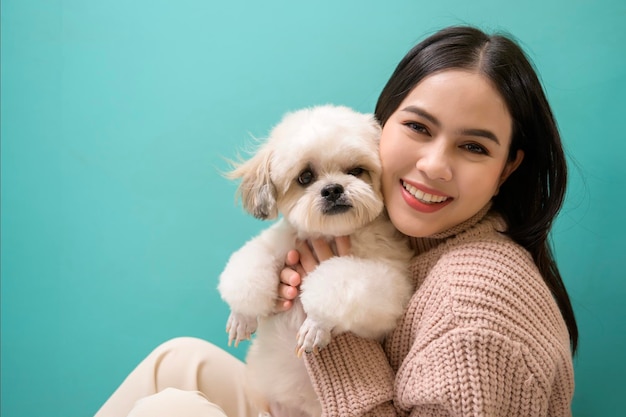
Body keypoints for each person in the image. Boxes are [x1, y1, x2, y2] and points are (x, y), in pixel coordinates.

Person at [94, 25, 577, 417]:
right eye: (418, 127)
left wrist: (335, 330)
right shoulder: (418, 238)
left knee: (174, 409)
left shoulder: (472, 307)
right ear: (381, 126)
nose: (433, 165)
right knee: (176, 363)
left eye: (473, 146)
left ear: (506, 169)